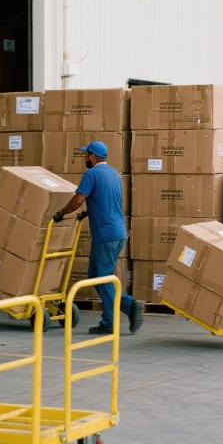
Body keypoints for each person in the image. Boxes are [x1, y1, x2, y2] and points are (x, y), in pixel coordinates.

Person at [53, 140, 144, 335]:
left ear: (93, 157)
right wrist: (89, 212)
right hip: (117, 231)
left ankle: (116, 316)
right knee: (95, 277)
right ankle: (125, 308)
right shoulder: (114, 173)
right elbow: (106, 199)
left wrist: (60, 213)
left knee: (102, 278)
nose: (85, 158)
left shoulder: (91, 174)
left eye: (86, 155)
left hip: (106, 234)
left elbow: (77, 201)